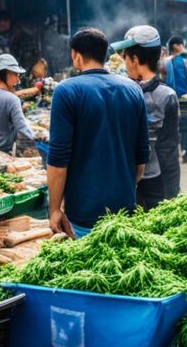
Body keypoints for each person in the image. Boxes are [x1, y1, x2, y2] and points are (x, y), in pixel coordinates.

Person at [47, 28, 150, 238]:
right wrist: (125, 188)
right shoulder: (133, 89)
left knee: (91, 269)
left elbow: (58, 161)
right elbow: (141, 157)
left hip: (85, 212)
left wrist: (54, 209)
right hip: (125, 209)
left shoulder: (66, 91)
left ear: (75, 55)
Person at [115, 26, 180, 209]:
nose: (124, 63)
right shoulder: (168, 95)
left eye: (125, 57)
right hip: (158, 179)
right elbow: (170, 147)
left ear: (135, 59)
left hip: (130, 181)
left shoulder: (122, 93)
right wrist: (173, 193)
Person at [161, 37, 187, 163]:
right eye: (181, 45)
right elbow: (183, 81)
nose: (183, 47)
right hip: (183, 97)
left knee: (174, 125)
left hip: (169, 97)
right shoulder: (179, 60)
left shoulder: (165, 61)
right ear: (176, 46)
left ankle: (176, 153)